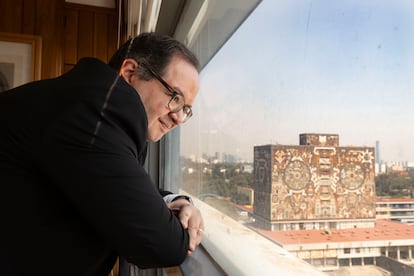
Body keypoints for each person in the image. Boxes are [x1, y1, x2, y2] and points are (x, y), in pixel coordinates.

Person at [0, 32, 204, 275]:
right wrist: (179, 227)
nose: (179, 117)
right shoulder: (94, 115)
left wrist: (174, 202)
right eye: (174, 97)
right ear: (130, 73)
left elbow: (112, 183)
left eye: (186, 109)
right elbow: (164, 245)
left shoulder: (85, 102)